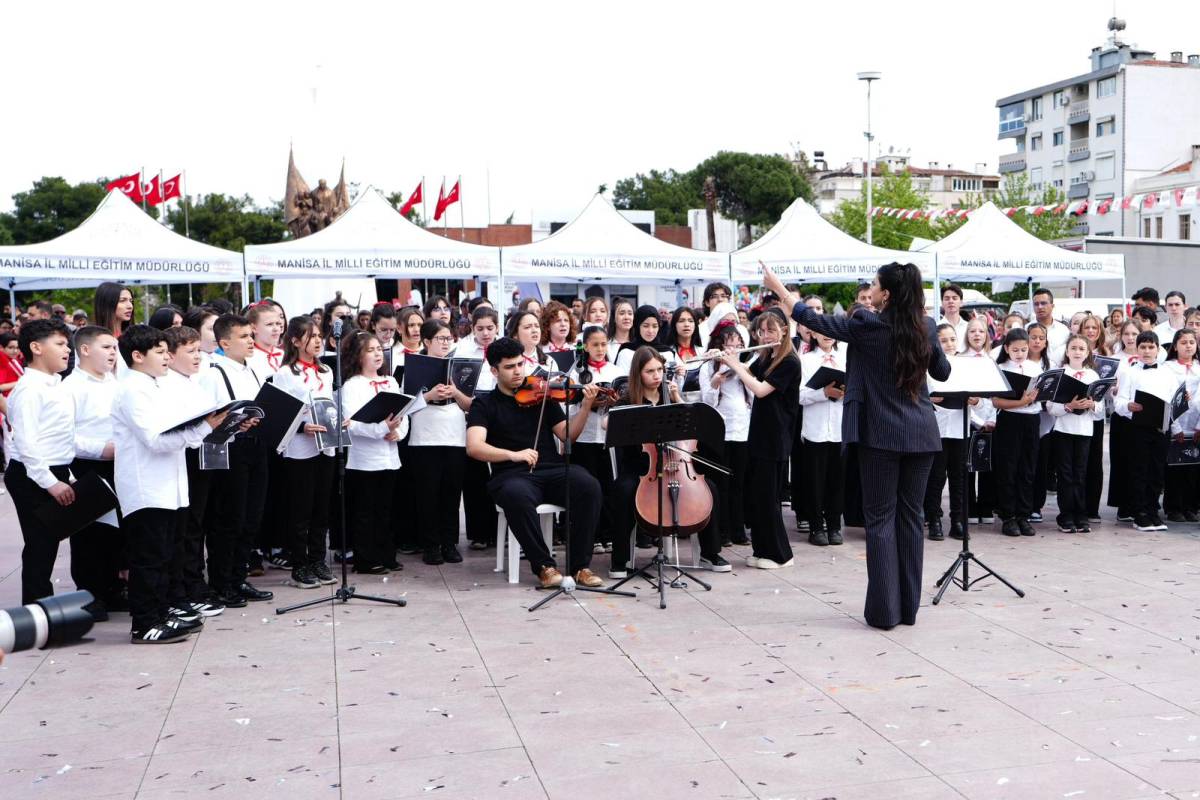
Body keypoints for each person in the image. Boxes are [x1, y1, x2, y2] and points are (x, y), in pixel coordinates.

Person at [764, 261, 951, 629]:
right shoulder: (926, 326)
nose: (872, 288)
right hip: (922, 434)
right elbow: (942, 373)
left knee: (880, 519)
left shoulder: (868, 325)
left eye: (875, 284)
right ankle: (907, 610)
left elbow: (814, 320)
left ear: (887, 294)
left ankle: (885, 612)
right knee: (911, 519)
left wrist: (780, 289)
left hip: (880, 435)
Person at [112, 324, 225, 644]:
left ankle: (162, 613)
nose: (166, 357)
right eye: (159, 351)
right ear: (137, 356)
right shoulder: (132, 388)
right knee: (149, 557)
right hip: (146, 486)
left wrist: (210, 423)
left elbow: (180, 434)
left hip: (170, 484)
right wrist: (205, 425)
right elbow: (156, 439)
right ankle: (144, 622)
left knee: (168, 553)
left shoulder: (155, 385)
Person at [466, 336, 606, 588]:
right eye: (509, 367)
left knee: (589, 485)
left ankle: (580, 567)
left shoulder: (542, 396)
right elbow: (474, 446)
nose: (518, 371)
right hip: (511, 474)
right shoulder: (484, 403)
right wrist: (513, 454)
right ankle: (545, 566)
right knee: (516, 495)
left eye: (520, 364)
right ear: (494, 370)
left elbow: (567, 435)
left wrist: (585, 406)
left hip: (550, 470)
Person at [606, 346, 729, 576]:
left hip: (676, 465)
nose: (656, 376)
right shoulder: (628, 401)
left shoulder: (670, 399)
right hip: (640, 468)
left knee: (710, 487)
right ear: (638, 374)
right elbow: (609, 424)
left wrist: (677, 399)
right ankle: (620, 559)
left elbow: (692, 429)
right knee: (623, 491)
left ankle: (710, 552)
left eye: (659, 370)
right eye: (649, 371)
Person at [199, 314, 274, 607]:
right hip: (231, 448)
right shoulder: (213, 371)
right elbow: (208, 415)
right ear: (225, 342)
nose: (250, 341)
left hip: (256, 445)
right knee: (229, 517)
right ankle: (221, 582)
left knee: (252, 517)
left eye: (250, 335)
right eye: (243, 337)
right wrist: (234, 421)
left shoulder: (253, 368)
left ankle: (239, 577)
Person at [716, 310, 801, 570]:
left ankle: (780, 555)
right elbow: (745, 371)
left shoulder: (789, 361)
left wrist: (734, 365)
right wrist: (726, 359)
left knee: (768, 498)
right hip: (760, 433)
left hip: (776, 437)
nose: (766, 336)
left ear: (784, 330)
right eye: (761, 331)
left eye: (771, 330)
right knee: (757, 497)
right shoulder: (767, 356)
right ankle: (762, 549)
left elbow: (760, 390)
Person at [5, 319, 77, 605]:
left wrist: (66, 475)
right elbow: (26, 442)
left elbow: (57, 435)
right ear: (36, 348)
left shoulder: (55, 384)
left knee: (47, 544)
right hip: (32, 474)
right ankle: (37, 611)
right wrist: (50, 482)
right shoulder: (30, 389)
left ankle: (42, 607)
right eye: (60, 344)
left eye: (67, 344)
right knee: (40, 544)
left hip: (54, 469)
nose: (67, 350)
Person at [162, 326, 226, 618]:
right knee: (186, 528)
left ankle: (193, 585)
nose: (198, 356)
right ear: (170, 356)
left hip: (202, 455)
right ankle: (185, 589)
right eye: (190, 351)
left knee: (196, 524)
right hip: (183, 456)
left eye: (199, 350)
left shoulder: (192, 381)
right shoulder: (167, 385)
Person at [271, 316, 338, 589]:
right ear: (296, 341)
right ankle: (300, 564)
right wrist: (302, 427)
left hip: (327, 445)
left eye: (320, 335)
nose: (318, 341)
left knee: (322, 507)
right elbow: (280, 411)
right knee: (301, 509)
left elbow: (330, 402)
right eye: (311, 336)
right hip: (301, 447)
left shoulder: (326, 371)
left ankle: (318, 559)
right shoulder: (286, 372)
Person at [61, 326, 122, 620]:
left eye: (114, 347)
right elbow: (64, 435)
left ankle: (111, 589)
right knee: (90, 533)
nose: (113, 353)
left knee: (116, 531)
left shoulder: (116, 382)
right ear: (85, 350)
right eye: (107, 347)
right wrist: (102, 450)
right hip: (88, 464)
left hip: (119, 463)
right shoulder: (71, 388)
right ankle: (89, 596)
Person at [340, 330, 409, 573]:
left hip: (390, 456)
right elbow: (352, 424)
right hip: (365, 460)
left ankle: (386, 554)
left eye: (379, 349)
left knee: (386, 510)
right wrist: (382, 428)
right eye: (370, 350)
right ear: (357, 356)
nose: (377, 354)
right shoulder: (352, 385)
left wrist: (397, 432)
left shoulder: (390, 381)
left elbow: (404, 413)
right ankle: (365, 559)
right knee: (365, 512)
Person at [408, 319, 471, 565]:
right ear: (426, 341)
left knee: (451, 494)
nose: (446, 343)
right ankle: (430, 545)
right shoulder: (414, 365)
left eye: (449, 338)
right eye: (440, 339)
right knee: (428, 494)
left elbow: (471, 405)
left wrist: (456, 393)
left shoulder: (460, 365)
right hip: (425, 438)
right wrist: (429, 396)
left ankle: (449, 543)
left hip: (455, 436)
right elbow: (405, 406)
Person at [1115, 331, 1178, 531]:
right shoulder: (1130, 372)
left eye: (1151, 347)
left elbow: (1174, 401)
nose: (1147, 351)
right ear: (1138, 349)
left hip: (1161, 428)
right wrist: (1128, 406)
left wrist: (1177, 414)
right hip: (1138, 428)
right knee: (1139, 469)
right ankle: (1139, 512)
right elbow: (1119, 401)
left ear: (1158, 349)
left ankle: (1152, 510)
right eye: (1143, 347)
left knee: (1157, 471)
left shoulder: (1167, 373)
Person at [570, 325, 623, 557]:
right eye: (595, 345)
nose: (600, 349)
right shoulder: (577, 372)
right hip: (585, 436)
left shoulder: (615, 370)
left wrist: (613, 401)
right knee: (588, 489)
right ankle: (590, 537)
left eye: (603, 344)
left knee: (608, 488)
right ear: (586, 346)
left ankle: (609, 534)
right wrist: (589, 402)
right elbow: (570, 404)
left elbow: (624, 398)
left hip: (607, 437)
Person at [699, 321, 751, 548]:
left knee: (739, 484)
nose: (733, 351)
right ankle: (721, 532)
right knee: (721, 484)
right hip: (719, 433)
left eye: (737, 346)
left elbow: (754, 397)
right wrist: (715, 382)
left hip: (742, 431)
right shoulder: (707, 367)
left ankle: (738, 530)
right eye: (729, 346)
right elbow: (707, 402)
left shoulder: (745, 367)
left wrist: (741, 370)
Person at [453, 306, 501, 550]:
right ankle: (479, 532)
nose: (485, 333)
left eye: (490, 328)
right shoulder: (462, 349)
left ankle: (501, 530)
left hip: (500, 408)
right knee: (475, 475)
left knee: (501, 471)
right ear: (472, 328)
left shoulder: (503, 348)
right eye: (480, 328)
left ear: (497, 328)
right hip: (472, 408)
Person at [1048, 335, 1104, 533]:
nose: (1077, 351)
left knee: (1080, 473)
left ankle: (1081, 514)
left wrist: (1093, 404)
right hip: (1063, 429)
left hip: (1084, 431)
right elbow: (1050, 406)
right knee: (1065, 474)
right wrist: (1068, 406)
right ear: (1067, 351)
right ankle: (1066, 516)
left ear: (1087, 352)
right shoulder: (1061, 373)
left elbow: (1101, 407)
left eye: (1081, 348)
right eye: (1074, 348)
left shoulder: (1092, 376)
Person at [992, 329, 1044, 537]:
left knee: (1028, 468)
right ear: (1006, 349)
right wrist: (1021, 402)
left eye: (1024, 349)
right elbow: (996, 401)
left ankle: (1024, 514)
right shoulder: (1001, 368)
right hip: (1010, 420)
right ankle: (1008, 516)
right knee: (1008, 468)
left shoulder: (1034, 367)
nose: (1020, 353)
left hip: (1031, 419)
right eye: (1015, 350)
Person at [798, 329, 846, 546]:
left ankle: (835, 526)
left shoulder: (845, 358)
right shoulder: (806, 360)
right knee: (815, 481)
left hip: (839, 429)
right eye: (821, 332)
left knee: (836, 481)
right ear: (813, 335)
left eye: (830, 331)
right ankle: (816, 527)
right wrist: (823, 393)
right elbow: (798, 395)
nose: (827, 335)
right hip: (815, 429)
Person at [925, 324, 966, 542]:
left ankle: (957, 520)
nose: (949, 344)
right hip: (937, 427)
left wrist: (975, 400)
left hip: (960, 427)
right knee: (936, 476)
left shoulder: (966, 364)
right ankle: (934, 519)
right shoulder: (930, 365)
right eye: (944, 340)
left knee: (959, 477)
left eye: (952, 339)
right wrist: (930, 399)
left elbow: (978, 399)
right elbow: (922, 394)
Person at [1163, 329, 1200, 522]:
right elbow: (1168, 396)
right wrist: (1175, 427)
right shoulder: (1167, 368)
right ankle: (1174, 507)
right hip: (1175, 423)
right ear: (1175, 346)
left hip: (1196, 424)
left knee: (1193, 467)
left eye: (1191, 342)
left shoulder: (1199, 367)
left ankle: (1191, 506)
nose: (1188, 346)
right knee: (1174, 467)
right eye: (1183, 342)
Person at [1109, 320, 1142, 522]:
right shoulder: (1115, 359)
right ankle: (1123, 504)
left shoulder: (1149, 356)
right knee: (1121, 460)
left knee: (1139, 461)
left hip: (1143, 415)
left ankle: (1138, 501)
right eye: (1127, 334)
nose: (1131, 338)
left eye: (1134, 333)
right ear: (1121, 336)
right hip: (1121, 415)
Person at [614, 305, 668, 372]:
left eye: (654, 326)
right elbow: (621, 380)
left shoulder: (667, 352)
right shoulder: (626, 352)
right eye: (645, 326)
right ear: (637, 326)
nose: (650, 331)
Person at [1029, 288, 1070, 366]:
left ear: (1052, 306)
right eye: (1036, 304)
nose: (1040, 307)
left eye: (1043, 303)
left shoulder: (1063, 330)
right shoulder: (1026, 329)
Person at [246, 302, 286, 382]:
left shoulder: (284, 354)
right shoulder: (248, 358)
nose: (276, 329)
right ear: (254, 328)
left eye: (278, 324)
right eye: (269, 324)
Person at [506, 310, 553, 374]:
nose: (534, 330)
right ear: (515, 334)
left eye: (537, 326)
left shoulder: (549, 361)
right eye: (527, 327)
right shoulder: (506, 361)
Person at [938, 284, 969, 352]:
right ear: (942, 303)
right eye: (947, 298)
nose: (951, 301)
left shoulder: (969, 327)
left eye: (954, 298)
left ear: (961, 302)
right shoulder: (936, 327)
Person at [606, 297, 635, 361]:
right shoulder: (606, 346)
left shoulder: (638, 345)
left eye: (630, 313)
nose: (626, 317)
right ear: (614, 318)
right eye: (622, 313)